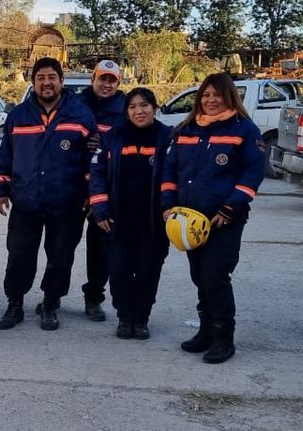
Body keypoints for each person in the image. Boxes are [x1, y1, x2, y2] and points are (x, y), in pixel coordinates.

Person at [161, 72, 265, 364]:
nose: (210, 100)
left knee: (215, 276)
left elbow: (252, 174)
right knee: (199, 276)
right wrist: (168, 205)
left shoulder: (245, 130)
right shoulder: (186, 130)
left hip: (223, 220)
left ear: (229, 97)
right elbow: (170, 170)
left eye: (216, 95)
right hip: (188, 221)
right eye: (205, 95)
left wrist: (229, 208)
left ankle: (223, 339)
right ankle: (205, 331)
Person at [0, 57, 97, 331]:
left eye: (52, 77)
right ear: (33, 82)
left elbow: (92, 160)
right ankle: (15, 303)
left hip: (68, 203)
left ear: (61, 81)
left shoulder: (81, 114)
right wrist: (1, 190)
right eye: (40, 78)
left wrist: (89, 194)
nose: (46, 82)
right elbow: (4, 156)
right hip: (26, 201)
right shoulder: (18, 115)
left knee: (60, 257)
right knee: (18, 256)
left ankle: (51, 303)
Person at [88, 87, 172, 340]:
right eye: (133, 106)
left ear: (154, 108)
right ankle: (125, 319)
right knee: (119, 271)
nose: (139, 111)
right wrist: (100, 209)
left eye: (144, 105)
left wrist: (169, 209)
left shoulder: (167, 137)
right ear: (126, 111)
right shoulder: (112, 137)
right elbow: (97, 174)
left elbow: (173, 175)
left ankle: (142, 319)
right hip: (117, 221)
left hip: (153, 223)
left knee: (148, 272)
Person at [76, 59, 126, 323]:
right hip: (72, 187)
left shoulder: (126, 108)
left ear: (118, 84)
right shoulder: (74, 104)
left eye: (111, 80)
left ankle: (94, 297)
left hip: (105, 189)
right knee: (61, 247)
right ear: (92, 79)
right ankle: (52, 297)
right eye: (102, 79)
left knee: (100, 248)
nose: (106, 84)